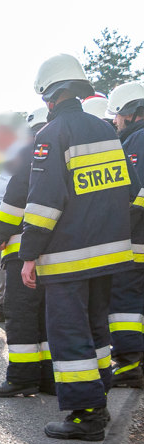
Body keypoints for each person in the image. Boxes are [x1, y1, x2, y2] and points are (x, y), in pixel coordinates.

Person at [23, 54, 135, 441]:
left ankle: (86, 416)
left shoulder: (51, 135)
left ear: (50, 97)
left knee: (69, 334)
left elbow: (43, 205)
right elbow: (130, 187)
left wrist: (28, 255)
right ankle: (98, 396)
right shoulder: (106, 131)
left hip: (67, 257)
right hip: (111, 255)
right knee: (96, 329)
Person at [0, 107, 55, 398]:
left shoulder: (33, 152)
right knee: (47, 316)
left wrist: (0, 235)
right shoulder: (66, 150)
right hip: (54, 252)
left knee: (21, 313)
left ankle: (22, 377)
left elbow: (14, 199)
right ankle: (50, 378)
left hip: (20, 250)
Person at [105, 81, 144, 387]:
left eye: (117, 115)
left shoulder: (138, 141)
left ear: (132, 112)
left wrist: (114, 230)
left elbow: (134, 196)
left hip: (135, 242)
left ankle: (130, 362)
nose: (115, 121)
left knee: (125, 300)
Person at [0, 113, 27, 323]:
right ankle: (2, 302)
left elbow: (17, 192)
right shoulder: (10, 157)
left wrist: (2, 231)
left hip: (15, 222)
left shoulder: (21, 157)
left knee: (6, 262)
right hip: (6, 217)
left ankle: (5, 305)